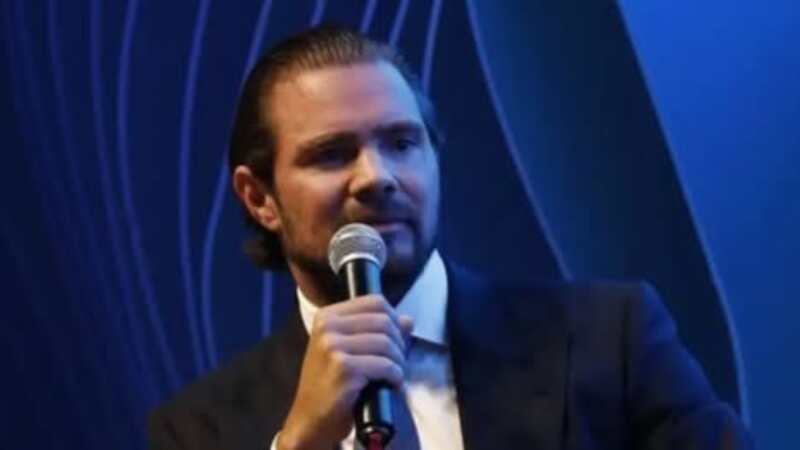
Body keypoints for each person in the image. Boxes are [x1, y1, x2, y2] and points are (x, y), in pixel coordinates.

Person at [148, 26, 752, 450]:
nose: (376, 176)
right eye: (332, 154)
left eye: (401, 143)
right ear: (259, 197)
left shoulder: (608, 339)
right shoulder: (199, 430)